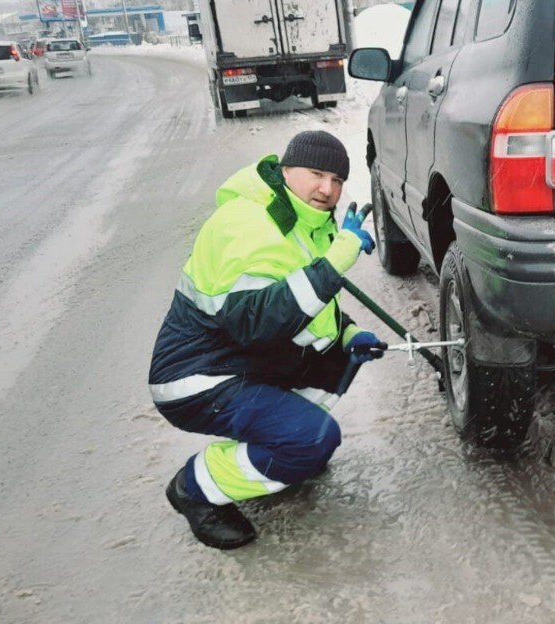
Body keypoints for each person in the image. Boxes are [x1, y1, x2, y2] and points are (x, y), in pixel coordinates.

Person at [148, 130, 387, 549]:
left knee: (339, 361)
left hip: (235, 360)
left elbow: (303, 303)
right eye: (316, 174)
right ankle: (195, 486)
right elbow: (255, 323)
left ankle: (281, 445)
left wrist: (348, 334)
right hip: (197, 376)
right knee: (313, 438)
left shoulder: (301, 223)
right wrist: (336, 261)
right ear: (286, 169)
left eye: (336, 180)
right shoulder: (252, 222)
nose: (327, 189)